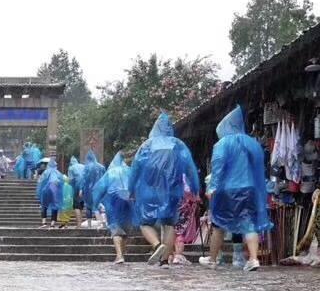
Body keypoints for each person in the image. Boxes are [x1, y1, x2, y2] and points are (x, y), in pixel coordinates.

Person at [199, 105, 272, 272]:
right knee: (248, 223)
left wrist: (213, 187)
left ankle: (212, 259)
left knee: (218, 223)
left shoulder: (223, 143)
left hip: (228, 189)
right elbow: (259, 166)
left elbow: (218, 166)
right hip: (250, 188)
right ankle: (253, 259)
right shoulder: (252, 143)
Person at [129, 112, 199, 267]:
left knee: (145, 223)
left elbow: (135, 168)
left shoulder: (147, 145)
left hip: (149, 190)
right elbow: (190, 167)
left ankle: (156, 245)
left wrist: (130, 188)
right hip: (172, 191)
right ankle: (165, 260)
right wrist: (195, 187)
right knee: (170, 224)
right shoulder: (178, 144)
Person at [92, 151, 132, 264]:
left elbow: (99, 188)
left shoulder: (110, 172)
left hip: (114, 200)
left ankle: (119, 255)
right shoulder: (129, 171)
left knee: (115, 228)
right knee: (126, 229)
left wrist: (95, 204)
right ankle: (122, 255)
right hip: (129, 200)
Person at [36, 157, 64, 228]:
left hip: (45, 190)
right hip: (55, 191)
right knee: (55, 206)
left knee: (44, 206)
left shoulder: (46, 172)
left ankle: (44, 222)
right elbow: (62, 183)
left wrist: (39, 194)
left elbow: (41, 182)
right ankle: (52, 224)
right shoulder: (58, 173)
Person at [81, 150, 105, 228]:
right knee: (100, 204)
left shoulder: (86, 167)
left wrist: (81, 189)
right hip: (99, 189)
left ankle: (89, 224)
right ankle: (103, 221)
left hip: (88, 190)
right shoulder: (101, 167)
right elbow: (105, 178)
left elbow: (84, 179)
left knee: (88, 206)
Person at [68, 156, 85, 227]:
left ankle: (79, 224)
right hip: (84, 186)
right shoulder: (83, 166)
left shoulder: (71, 168)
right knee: (81, 205)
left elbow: (71, 180)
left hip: (76, 187)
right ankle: (80, 223)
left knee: (76, 206)